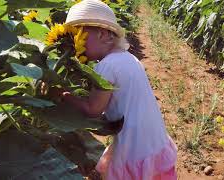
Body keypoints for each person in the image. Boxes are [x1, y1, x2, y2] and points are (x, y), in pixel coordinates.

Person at [57, 0, 177, 179]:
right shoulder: (129, 58)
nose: (76, 46)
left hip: (133, 143)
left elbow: (93, 109)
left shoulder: (106, 67)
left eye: (80, 37)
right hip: (152, 137)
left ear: (103, 34)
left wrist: (64, 95)